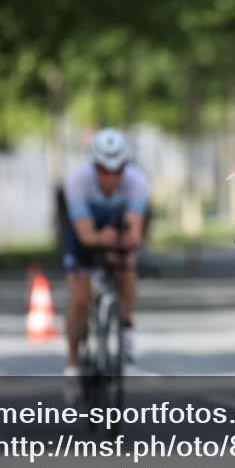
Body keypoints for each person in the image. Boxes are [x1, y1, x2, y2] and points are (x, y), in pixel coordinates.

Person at [62, 128, 148, 377]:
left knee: (127, 266)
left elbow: (135, 230)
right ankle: (73, 361)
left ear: (125, 168)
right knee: (80, 298)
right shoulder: (78, 181)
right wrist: (101, 238)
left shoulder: (137, 181)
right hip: (84, 234)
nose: (111, 177)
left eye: (118, 170)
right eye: (103, 170)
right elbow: (85, 235)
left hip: (117, 228)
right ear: (94, 166)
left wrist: (126, 241)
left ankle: (126, 324)